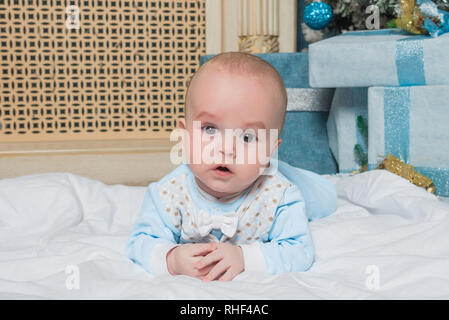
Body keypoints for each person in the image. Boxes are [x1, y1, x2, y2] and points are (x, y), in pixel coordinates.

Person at [126, 52, 336, 282]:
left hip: (303, 184)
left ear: (270, 150)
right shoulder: (168, 194)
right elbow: (141, 241)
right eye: (209, 129)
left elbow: (299, 251)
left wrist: (245, 257)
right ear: (184, 136)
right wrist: (171, 259)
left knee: (324, 197)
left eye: (247, 137)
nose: (226, 149)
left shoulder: (280, 196)